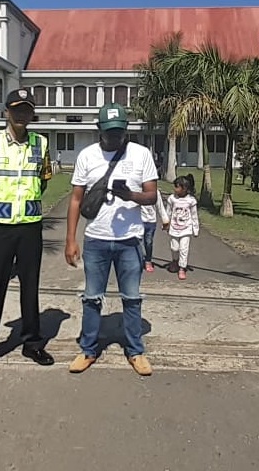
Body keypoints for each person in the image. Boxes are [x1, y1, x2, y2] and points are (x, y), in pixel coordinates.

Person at [65, 103, 158, 376]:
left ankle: (135, 351)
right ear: (99, 130)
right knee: (92, 298)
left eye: (119, 132)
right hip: (96, 240)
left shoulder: (141, 154)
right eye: (109, 132)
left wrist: (131, 196)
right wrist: (70, 240)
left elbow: (151, 196)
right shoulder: (87, 156)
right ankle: (88, 349)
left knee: (132, 298)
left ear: (126, 130)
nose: (114, 137)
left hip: (130, 241)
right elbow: (76, 199)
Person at [0, 88, 54, 374]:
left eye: (27, 110)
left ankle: (32, 344)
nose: (21, 115)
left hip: (29, 227)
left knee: (30, 289)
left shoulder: (41, 143)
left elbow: (43, 180)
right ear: (6, 112)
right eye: (16, 109)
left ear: (32, 114)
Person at [165, 175, 200, 281]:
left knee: (183, 249)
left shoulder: (191, 200)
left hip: (186, 229)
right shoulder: (172, 199)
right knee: (174, 247)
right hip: (174, 228)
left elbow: (194, 215)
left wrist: (195, 229)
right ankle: (175, 261)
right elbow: (168, 212)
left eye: (177, 187)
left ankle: (182, 268)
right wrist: (166, 223)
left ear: (184, 188)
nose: (175, 189)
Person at [141, 189, 169, 273]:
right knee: (137, 242)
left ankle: (148, 261)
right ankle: (136, 261)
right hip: (138, 221)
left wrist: (165, 220)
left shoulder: (155, 192)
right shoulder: (136, 188)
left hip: (151, 221)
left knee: (148, 242)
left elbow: (160, 207)